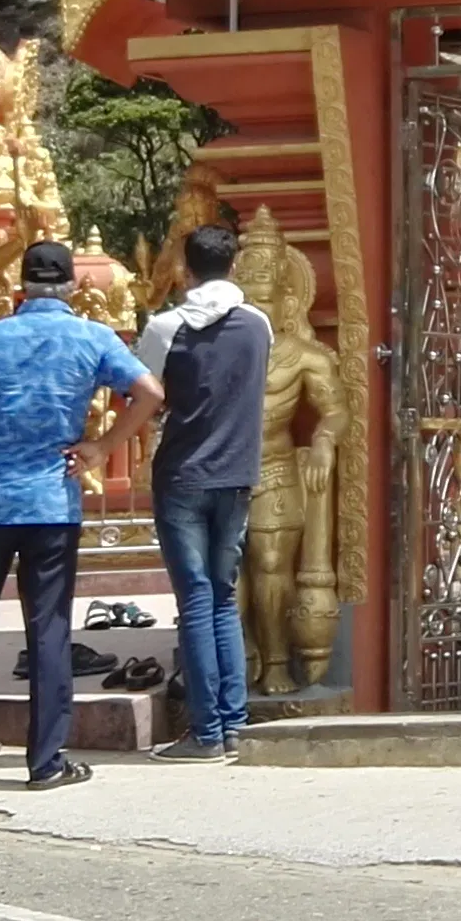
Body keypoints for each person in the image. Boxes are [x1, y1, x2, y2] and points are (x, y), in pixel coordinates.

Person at [0, 241, 157, 790]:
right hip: (52, 502)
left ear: (21, 287)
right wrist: (101, 445)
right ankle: (46, 761)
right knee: (48, 629)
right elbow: (148, 391)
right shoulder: (92, 337)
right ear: (71, 286)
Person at [136, 222, 271, 764]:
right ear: (234, 265)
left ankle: (206, 731)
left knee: (194, 601)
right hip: (237, 474)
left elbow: (147, 395)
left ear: (183, 270)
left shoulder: (166, 327)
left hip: (183, 476)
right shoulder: (259, 325)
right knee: (222, 598)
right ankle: (234, 725)